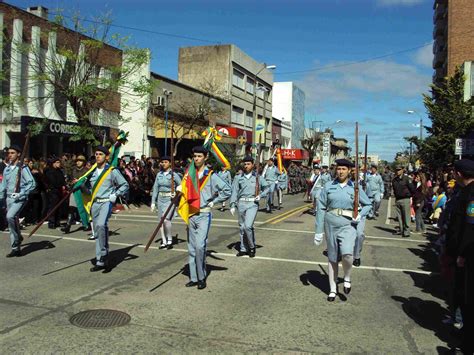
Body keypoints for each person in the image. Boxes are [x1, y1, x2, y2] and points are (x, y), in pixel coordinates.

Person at [315, 159, 371, 302]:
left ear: (349, 171)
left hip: (348, 225)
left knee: (347, 253)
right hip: (331, 223)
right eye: (339, 169)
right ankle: (333, 289)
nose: (340, 171)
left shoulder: (355, 188)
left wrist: (360, 214)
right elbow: (321, 208)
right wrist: (318, 230)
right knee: (332, 257)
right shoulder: (329, 186)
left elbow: (368, 204)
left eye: (344, 169)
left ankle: (346, 276)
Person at [183, 146, 231, 290]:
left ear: (205, 157)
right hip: (191, 213)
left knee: (200, 246)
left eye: (199, 156)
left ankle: (202, 277)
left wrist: (214, 201)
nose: (196, 158)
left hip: (203, 214)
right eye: (194, 156)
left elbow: (227, 190)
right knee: (191, 247)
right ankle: (194, 277)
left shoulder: (211, 175)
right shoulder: (189, 174)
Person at [83, 146, 129, 272]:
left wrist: (116, 194)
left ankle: (103, 253)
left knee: (101, 225)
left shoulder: (111, 171)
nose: (97, 156)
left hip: (106, 202)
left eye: (100, 154)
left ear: (106, 157)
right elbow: (88, 187)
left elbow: (124, 184)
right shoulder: (91, 171)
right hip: (95, 203)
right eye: (96, 154)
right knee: (97, 232)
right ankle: (101, 261)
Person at [445, 159, 474, 354]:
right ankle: (465, 332)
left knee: (467, 297)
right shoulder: (465, 192)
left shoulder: (471, 195)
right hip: (461, 252)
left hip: (468, 255)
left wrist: (462, 254)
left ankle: (468, 341)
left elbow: (470, 228)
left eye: (454, 173)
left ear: (459, 174)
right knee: (461, 294)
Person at [229, 156, 269, 257]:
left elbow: (268, 188)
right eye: (245, 164)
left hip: (252, 204)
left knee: (248, 226)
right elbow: (234, 191)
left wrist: (261, 195)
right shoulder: (238, 177)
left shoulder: (258, 178)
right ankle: (243, 248)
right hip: (241, 203)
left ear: (253, 165)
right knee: (242, 227)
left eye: (248, 164)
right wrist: (232, 204)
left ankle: (251, 247)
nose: (246, 166)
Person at [0, 145, 36, 257]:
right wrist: (1, 197)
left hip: (19, 198)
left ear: (19, 154)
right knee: (12, 222)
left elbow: (32, 183)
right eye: (9, 153)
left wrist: (21, 193)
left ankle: (17, 238)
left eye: (13, 153)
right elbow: (3, 186)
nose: (10, 155)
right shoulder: (7, 169)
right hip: (9, 198)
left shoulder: (23, 168)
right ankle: (16, 248)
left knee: (10, 217)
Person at [150, 156, 182, 249]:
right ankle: (163, 241)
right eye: (162, 162)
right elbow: (155, 188)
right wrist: (153, 202)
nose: (163, 164)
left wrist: (176, 193)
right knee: (160, 222)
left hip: (170, 200)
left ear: (170, 163)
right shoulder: (159, 175)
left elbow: (181, 186)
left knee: (166, 219)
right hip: (160, 199)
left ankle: (169, 240)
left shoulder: (174, 175)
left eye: (166, 162)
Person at [61, 155, 88, 234]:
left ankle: (86, 224)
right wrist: (70, 183)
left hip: (83, 191)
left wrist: (80, 181)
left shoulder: (86, 171)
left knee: (83, 209)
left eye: (80, 161)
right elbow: (68, 180)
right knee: (71, 208)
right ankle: (68, 226)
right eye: (77, 161)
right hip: (74, 190)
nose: (78, 162)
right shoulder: (73, 170)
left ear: (83, 162)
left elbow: (88, 181)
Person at [392, 166, 415, 238]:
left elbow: (412, 189)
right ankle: (401, 230)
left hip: (405, 199)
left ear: (402, 170)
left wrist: (409, 196)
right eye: (396, 170)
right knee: (399, 217)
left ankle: (407, 231)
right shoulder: (394, 180)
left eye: (399, 170)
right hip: (398, 199)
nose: (397, 171)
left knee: (406, 216)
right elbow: (394, 189)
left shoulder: (407, 179)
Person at [44, 157, 66, 229]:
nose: (58, 164)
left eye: (59, 162)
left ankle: (57, 221)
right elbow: (52, 181)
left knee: (58, 207)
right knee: (52, 207)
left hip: (59, 191)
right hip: (53, 191)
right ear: (53, 163)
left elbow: (62, 180)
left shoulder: (59, 171)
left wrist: (64, 185)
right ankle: (51, 222)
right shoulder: (49, 171)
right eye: (57, 162)